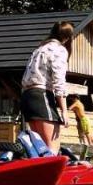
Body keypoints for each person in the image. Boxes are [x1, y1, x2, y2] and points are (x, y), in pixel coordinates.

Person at [20, 21, 74, 153]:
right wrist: (64, 111)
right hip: (41, 95)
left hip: (27, 96)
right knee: (51, 149)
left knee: (39, 149)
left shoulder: (39, 49)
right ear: (68, 37)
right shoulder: (59, 50)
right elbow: (59, 81)